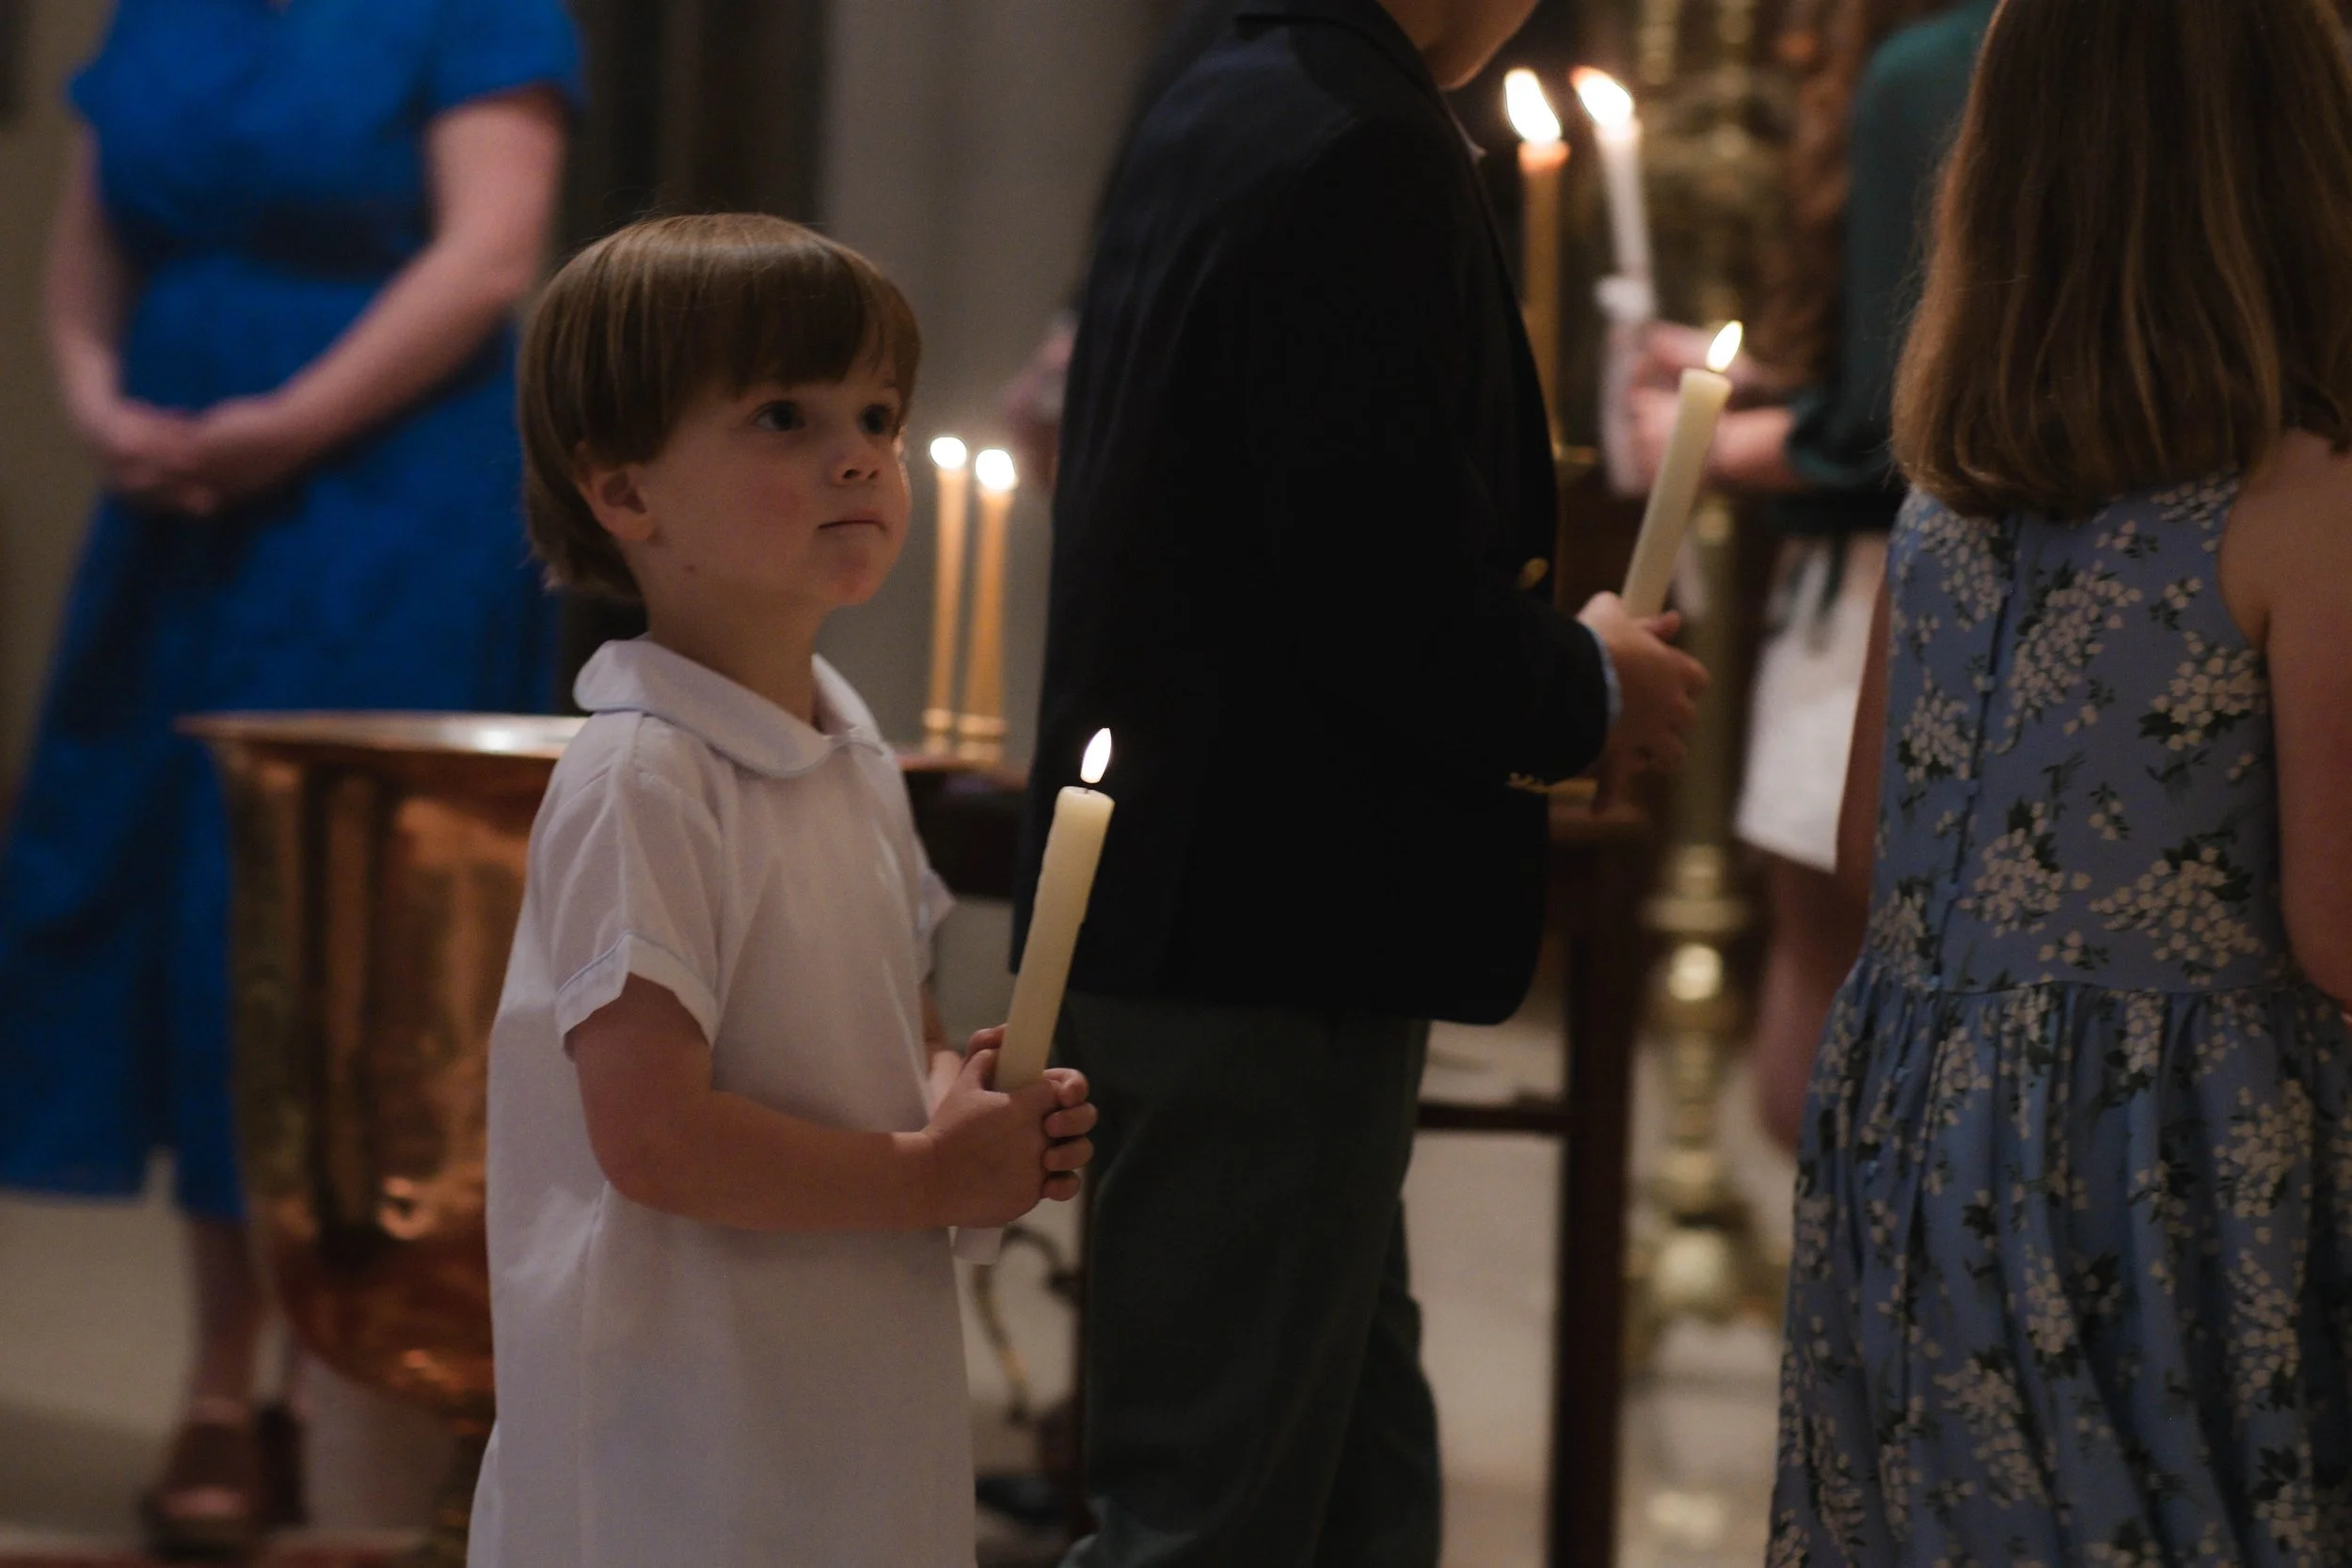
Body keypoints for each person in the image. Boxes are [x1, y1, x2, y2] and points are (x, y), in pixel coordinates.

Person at [1017, 1, 1710, 1562]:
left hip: (1229, 909)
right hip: (1272, 935)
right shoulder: (1360, 144)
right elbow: (1374, 584)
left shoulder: (1231, 83)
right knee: (1211, 1520)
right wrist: (1586, 684)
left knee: (1355, 1500)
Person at [1773, 0, 2352, 1558]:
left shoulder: (1944, 501)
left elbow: (1863, 844)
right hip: (2177, 1170)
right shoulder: (2305, 504)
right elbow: (2339, 927)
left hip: (1918, 1129)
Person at [0, 0, 580, 1551]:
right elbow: (93, 243)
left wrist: (283, 426)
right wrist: (95, 398)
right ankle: (217, 1376)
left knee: (349, 929)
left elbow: (488, 256)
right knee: (194, 914)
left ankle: (372, 1388)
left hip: (382, 495)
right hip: (182, 505)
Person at [469, 214, 1097, 1568]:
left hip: (840, 1373)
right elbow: (653, 1138)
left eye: (876, 411)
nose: (861, 452)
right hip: (680, 1424)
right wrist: (927, 1171)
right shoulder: (647, 776)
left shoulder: (845, 740)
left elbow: (900, 1019)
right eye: (782, 416)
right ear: (624, 492)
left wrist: (961, 1106)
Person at [1626, 0, 1992, 1151]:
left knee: (1835, 981)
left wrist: (1709, 444)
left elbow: (1892, 420)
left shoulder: (1935, 63)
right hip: (2094, 587)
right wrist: (1772, 387)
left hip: (1884, 582)